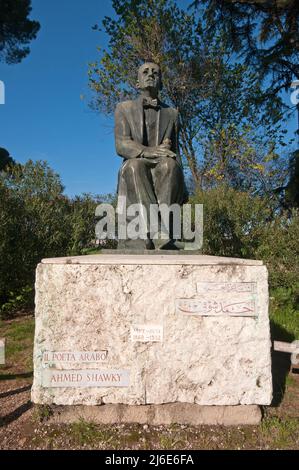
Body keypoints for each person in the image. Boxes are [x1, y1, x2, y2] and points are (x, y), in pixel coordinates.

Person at [114, 62, 187, 249]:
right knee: (134, 166)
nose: (151, 75)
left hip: (162, 163)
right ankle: (156, 231)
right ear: (137, 82)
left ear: (161, 82)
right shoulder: (124, 108)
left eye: (155, 72)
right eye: (145, 72)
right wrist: (147, 151)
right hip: (137, 160)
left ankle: (164, 233)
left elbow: (175, 150)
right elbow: (121, 144)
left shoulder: (172, 113)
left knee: (170, 166)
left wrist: (182, 181)